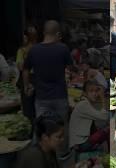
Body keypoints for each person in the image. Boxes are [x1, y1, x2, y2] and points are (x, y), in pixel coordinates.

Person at [23, 20, 73, 160]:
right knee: (61, 129)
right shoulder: (62, 48)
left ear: (44, 33)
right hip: (60, 97)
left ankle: (38, 156)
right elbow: (71, 69)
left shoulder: (34, 50)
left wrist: (27, 85)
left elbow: (25, 69)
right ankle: (62, 157)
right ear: (58, 34)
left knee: (41, 128)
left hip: (41, 98)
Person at [15, 112, 88, 168]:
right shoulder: (33, 156)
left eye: (63, 136)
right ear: (45, 137)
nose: (63, 139)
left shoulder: (50, 150)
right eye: (59, 137)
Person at [69, 80, 107, 152]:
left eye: (96, 91)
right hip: (79, 144)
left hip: (80, 141)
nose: (94, 94)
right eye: (91, 91)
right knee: (107, 130)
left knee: (103, 130)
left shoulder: (85, 102)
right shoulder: (83, 104)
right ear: (85, 93)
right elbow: (104, 117)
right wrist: (102, 98)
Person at [16, 26, 38, 123]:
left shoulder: (22, 51)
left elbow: (21, 67)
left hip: (30, 80)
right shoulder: (40, 49)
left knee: (29, 109)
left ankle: (33, 130)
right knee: (35, 109)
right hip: (35, 80)